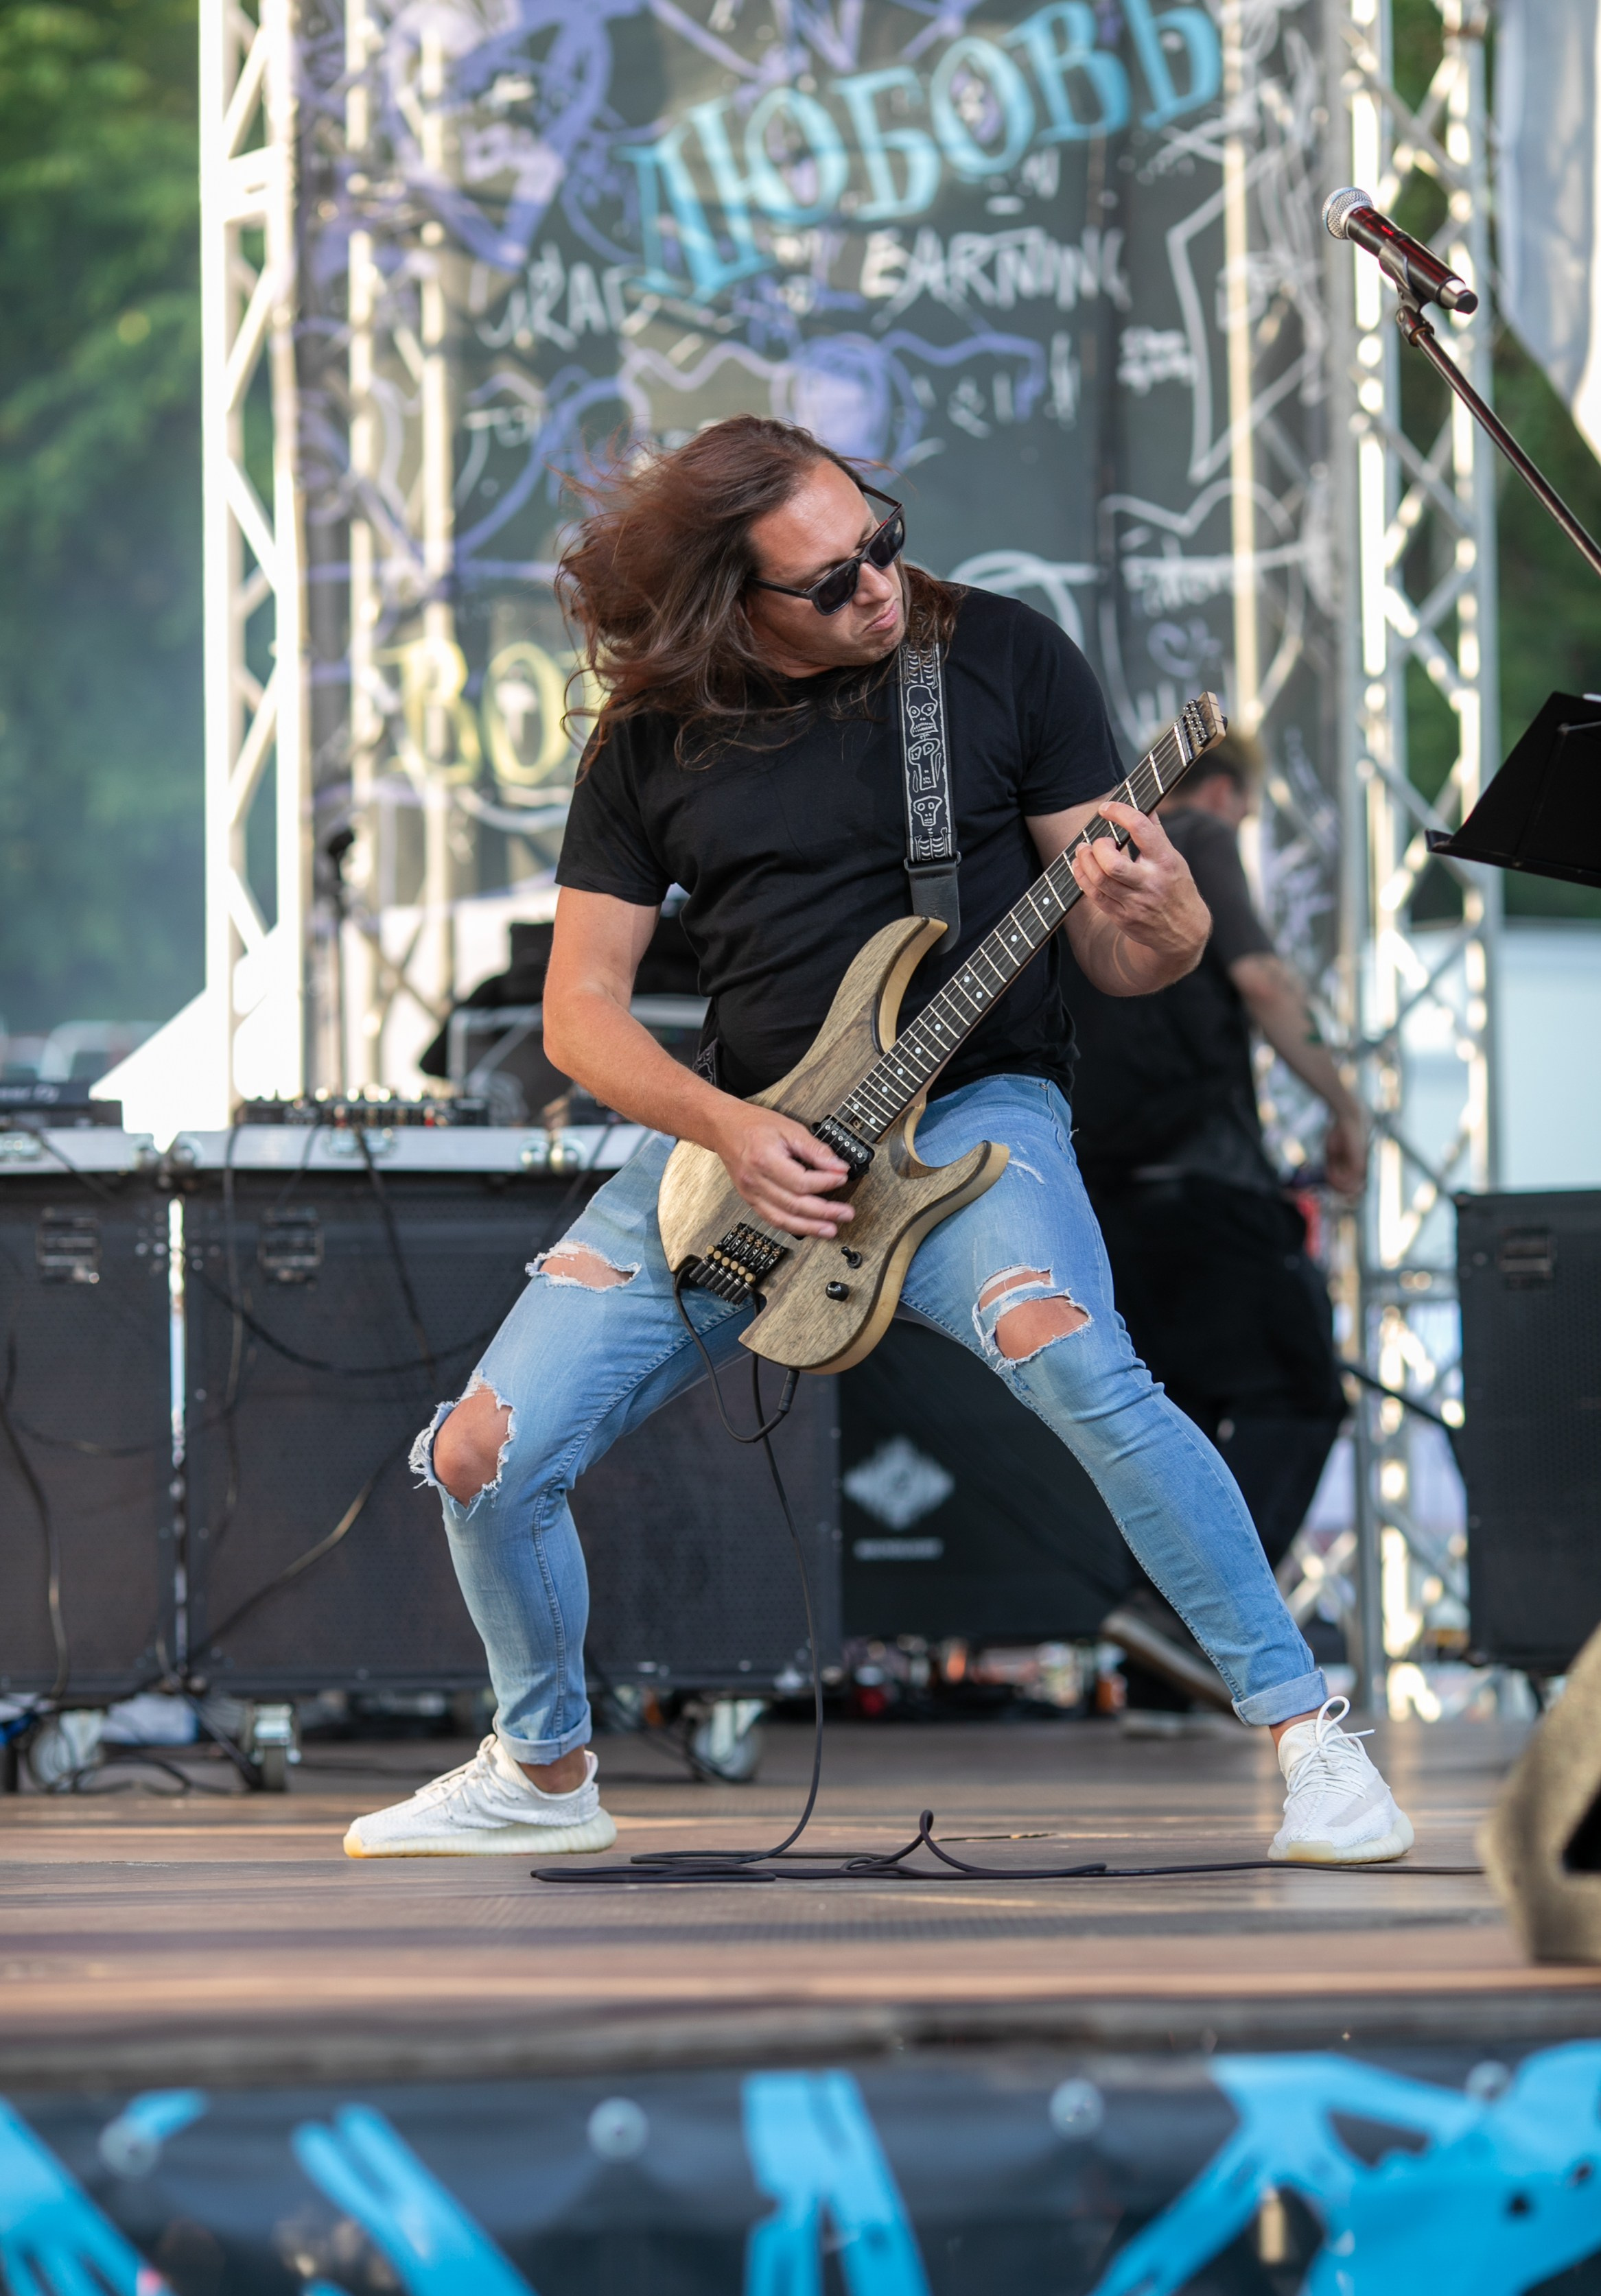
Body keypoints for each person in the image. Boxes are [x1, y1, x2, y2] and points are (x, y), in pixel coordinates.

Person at [343, 417, 1410, 1866]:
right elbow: (579, 1019)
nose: (876, 586)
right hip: (740, 1142)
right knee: (477, 1453)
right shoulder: (654, 734)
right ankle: (540, 1769)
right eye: (830, 579)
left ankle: (1307, 1738)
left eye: (881, 541)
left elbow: (1119, 956)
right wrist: (727, 1125)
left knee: (1073, 1352)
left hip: (976, 1112)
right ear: (734, 601)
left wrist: (1162, 918)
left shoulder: (999, 660)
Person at [1060, 734, 1364, 1588]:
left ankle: (1155, 1665)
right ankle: (1199, 1627)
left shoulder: (1077, 866)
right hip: (1205, 1182)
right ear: (1224, 790)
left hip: (1102, 1199)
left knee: (1164, 1419)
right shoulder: (1194, 835)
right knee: (1300, 1393)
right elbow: (1262, 979)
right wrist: (1345, 1108)